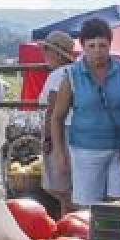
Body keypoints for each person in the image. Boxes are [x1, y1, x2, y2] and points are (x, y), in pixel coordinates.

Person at [51, 18, 120, 206]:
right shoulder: (72, 75)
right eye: (91, 45)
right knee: (88, 209)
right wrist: (59, 153)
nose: (97, 51)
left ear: (110, 45)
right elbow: (57, 118)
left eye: (102, 45)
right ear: (83, 46)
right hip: (86, 151)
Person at [38, 30, 76, 209]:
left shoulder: (57, 76)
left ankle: (70, 222)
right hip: (73, 131)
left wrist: (48, 138)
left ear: (58, 54)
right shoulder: (76, 71)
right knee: (69, 188)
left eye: (47, 49)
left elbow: (53, 111)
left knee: (60, 187)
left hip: (61, 132)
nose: (44, 53)